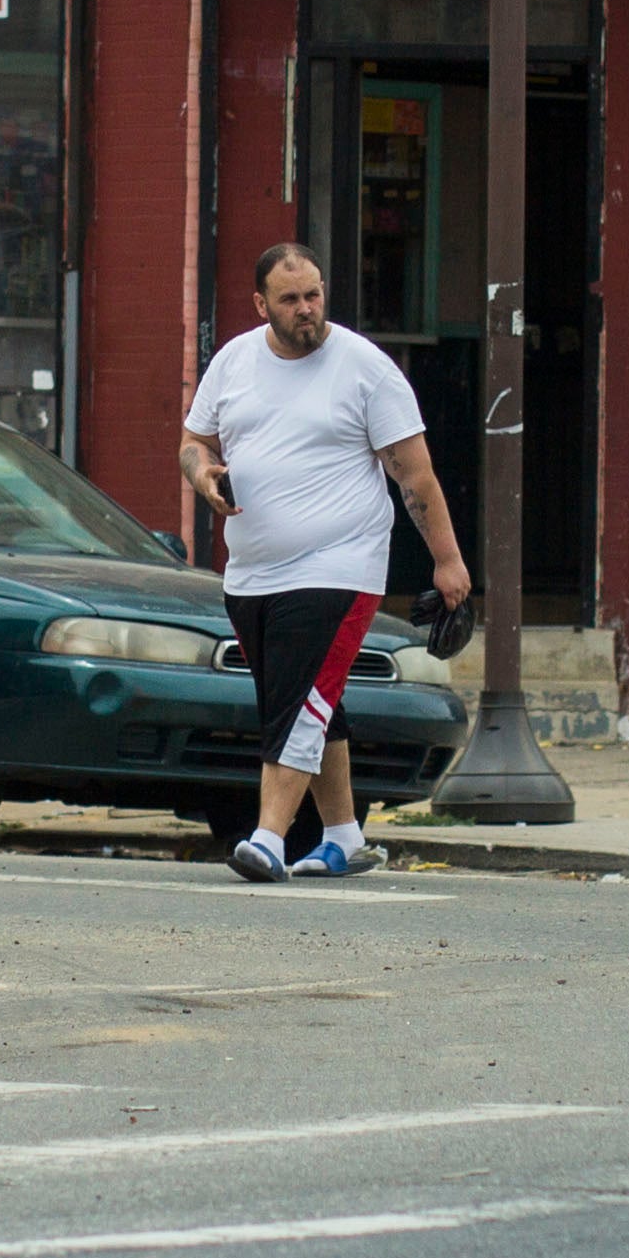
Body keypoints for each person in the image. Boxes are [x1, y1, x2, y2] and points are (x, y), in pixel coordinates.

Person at [179, 242, 473, 882]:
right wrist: (203, 476)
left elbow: (415, 476)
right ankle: (344, 836)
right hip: (252, 572)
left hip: (341, 565)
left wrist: (448, 563)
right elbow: (193, 441)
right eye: (290, 299)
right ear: (262, 305)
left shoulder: (366, 369)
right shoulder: (234, 361)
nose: (307, 309)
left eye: (314, 294)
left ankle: (268, 838)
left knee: (300, 705)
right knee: (308, 701)